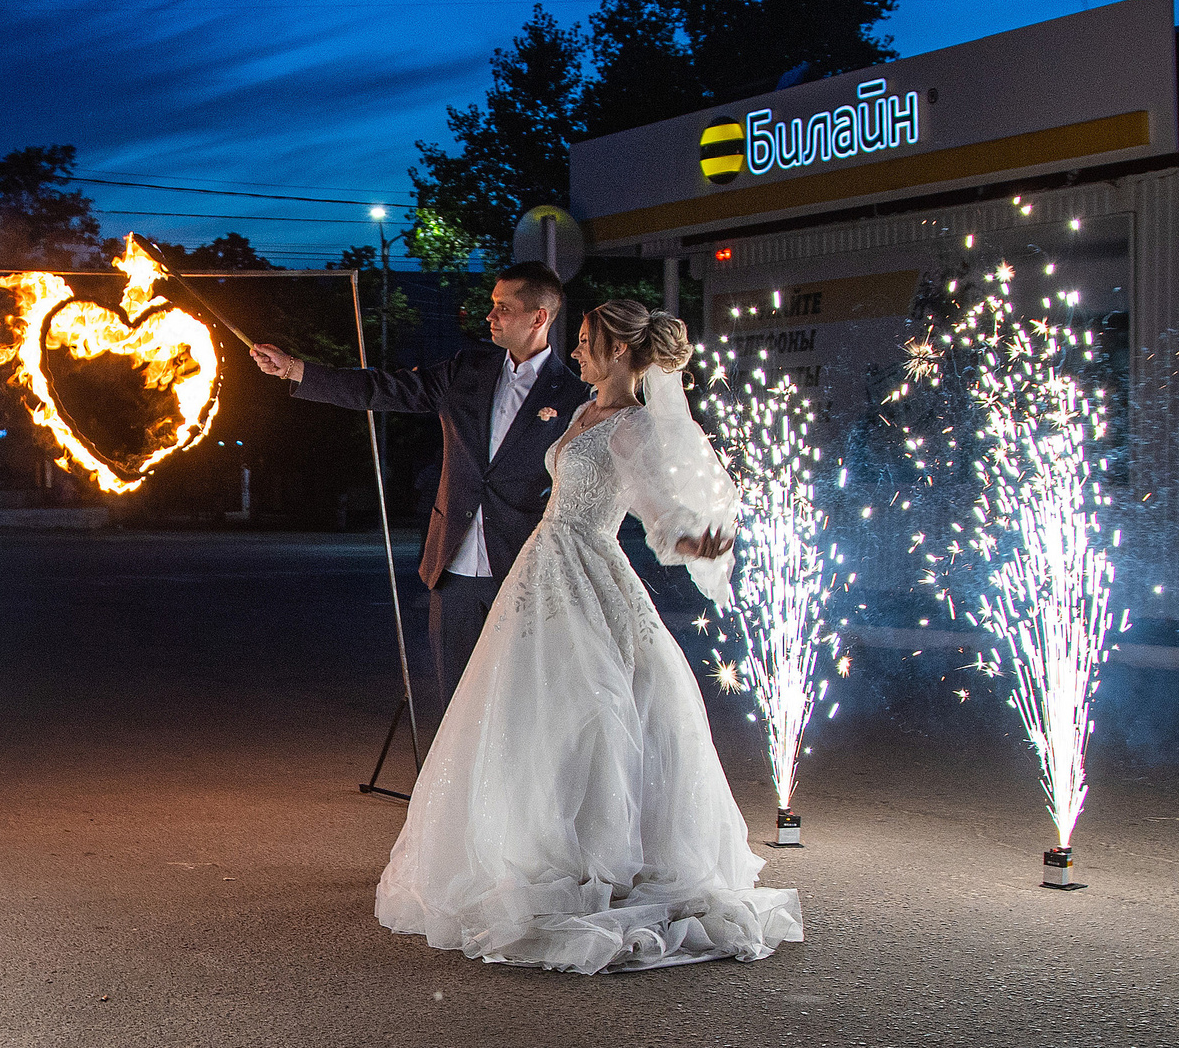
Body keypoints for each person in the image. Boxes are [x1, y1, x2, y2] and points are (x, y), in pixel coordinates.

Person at [373, 298, 804, 974]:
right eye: (575, 341)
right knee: (534, 711)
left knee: (600, 708)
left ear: (622, 353)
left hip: (588, 565)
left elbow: (659, 515)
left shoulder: (635, 427)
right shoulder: (583, 413)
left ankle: (602, 855)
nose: (575, 352)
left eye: (586, 343)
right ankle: (540, 843)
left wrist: (696, 540)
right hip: (544, 569)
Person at [250, 262, 589, 711]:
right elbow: (383, 388)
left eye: (503, 309)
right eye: (492, 305)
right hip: (452, 566)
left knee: (523, 700)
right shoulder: (466, 369)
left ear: (538, 318)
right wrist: (296, 370)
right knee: (457, 702)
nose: (489, 317)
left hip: (525, 567)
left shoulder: (574, 395)